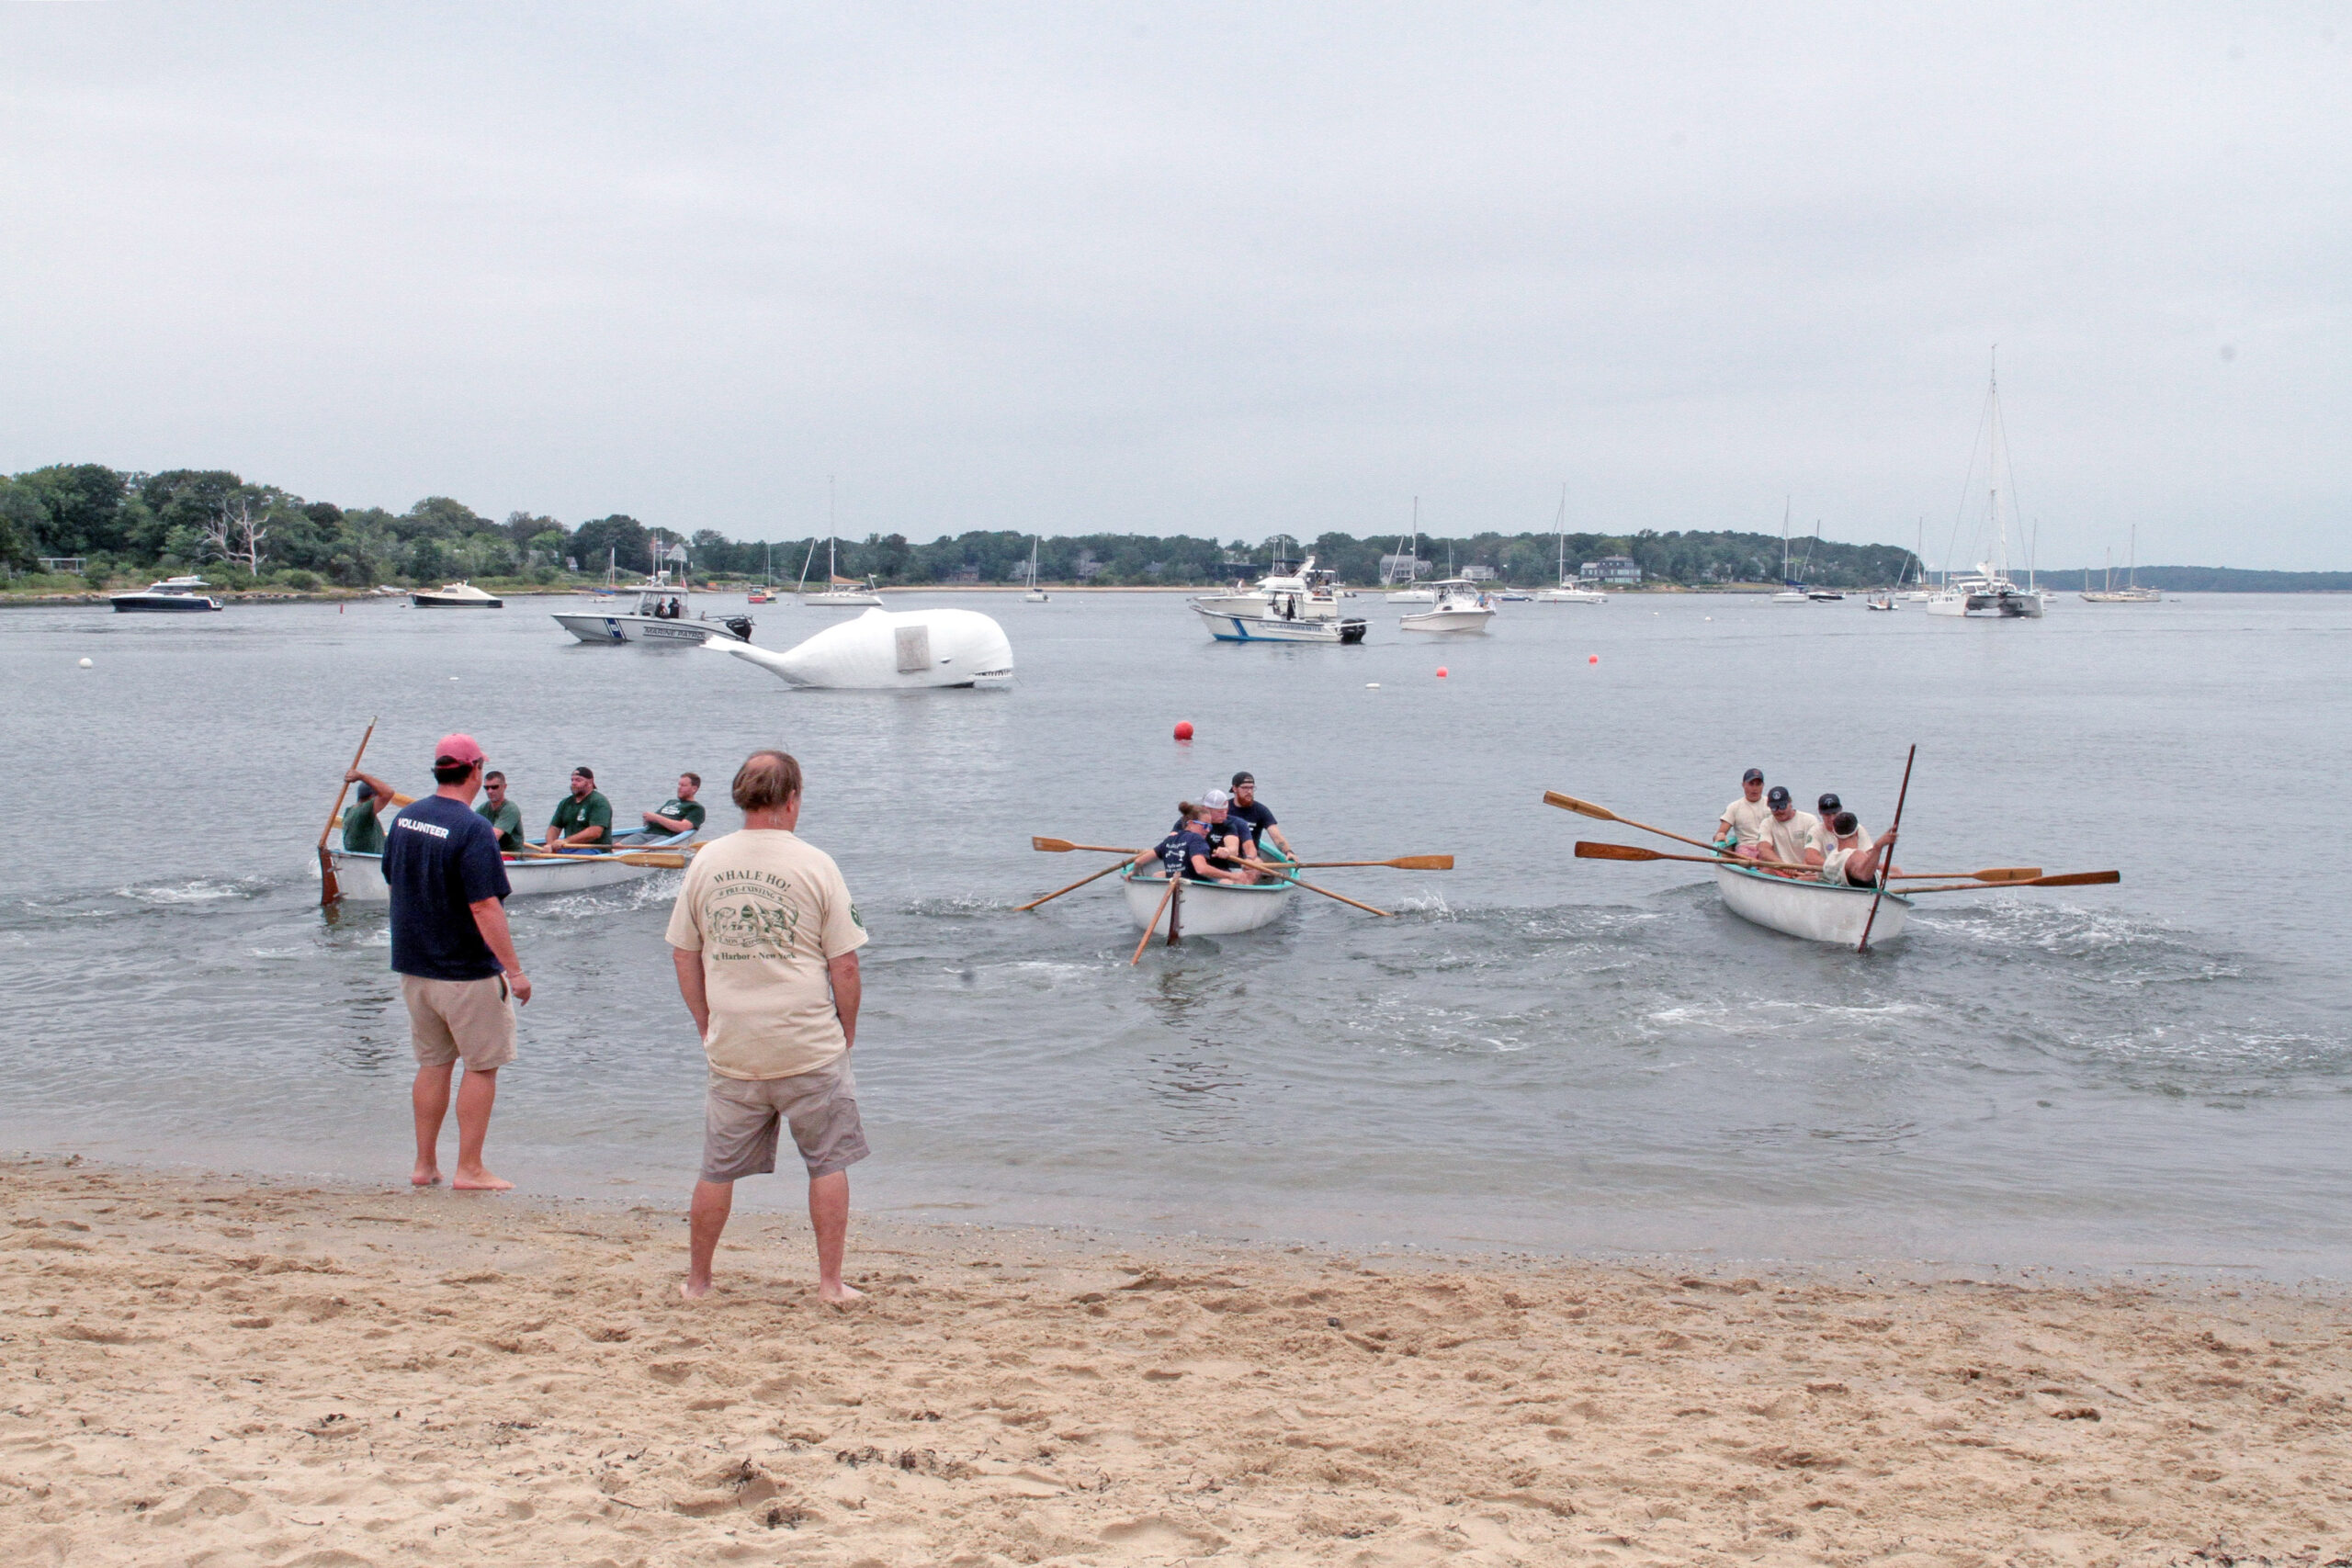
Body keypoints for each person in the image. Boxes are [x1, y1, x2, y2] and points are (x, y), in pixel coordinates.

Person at [667, 750, 869, 1303]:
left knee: (716, 1169)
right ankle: (830, 1284)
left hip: (733, 1043)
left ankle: (698, 1282)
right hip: (806, 1041)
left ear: (740, 796)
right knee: (828, 1161)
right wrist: (846, 1029)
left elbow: (684, 953)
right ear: (792, 799)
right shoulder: (816, 864)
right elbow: (844, 964)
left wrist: (707, 1020)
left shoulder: (706, 861)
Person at [380, 734, 532, 1191]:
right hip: (465, 970)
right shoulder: (472, 829)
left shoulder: (406, 818)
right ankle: (470, 1168)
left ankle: (424, 1165)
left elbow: (392, 875)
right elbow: (485, 906)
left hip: (414, 967)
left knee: (432, 1065)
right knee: (482, 1066)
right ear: (474, 770)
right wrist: (516, 972)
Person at [1131, 804, 1250, 886]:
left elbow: (1138, 862)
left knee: (1157, 875)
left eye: (1210, 826)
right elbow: (1201, 869)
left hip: (1176, 882)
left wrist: (1134, 874)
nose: (1208, 830)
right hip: (1193, 885)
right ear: (1191, 823)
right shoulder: (1196, 840)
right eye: (1205, 825)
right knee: (1228, 881)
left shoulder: (1169, 840)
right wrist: (1233, 876)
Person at [1811, 812, 1901, 886]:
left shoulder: (1831, 859)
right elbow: (1864, 875)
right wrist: (1878, 846)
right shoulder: (1856, 855)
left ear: (1834, 833)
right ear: (1857, 832)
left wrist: (1879, 868)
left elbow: (1855, 868)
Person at [1226, 772, 1294, 860]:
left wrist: (1288, 852)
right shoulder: (1223, 809)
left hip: (1251, 858)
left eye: (1251, 788)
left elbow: (1276, 836)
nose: (1249, 791)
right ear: (1234, 789)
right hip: (1227, 856)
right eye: (1245, 788)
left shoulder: (1261, 810)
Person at [1754, 785, 1820, 874]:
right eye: (1774, 808)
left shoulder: (1809, 820)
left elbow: (1814, 853)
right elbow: (1764, 850)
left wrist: (1800, 870)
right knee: (1766, 871)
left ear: (1790, 803)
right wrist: (1783, 865)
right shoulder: (1766, 823)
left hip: (1807, 872)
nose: (1779, 811)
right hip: (1781, 870)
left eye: (1782, 806)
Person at [546, 766, 612, 852]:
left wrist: (567, 841)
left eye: (578, 780)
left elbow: (595, 832)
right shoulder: (565, 803)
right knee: (541, 857)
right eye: (572, 780)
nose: (573, 783)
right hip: (569, 848)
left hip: (594, 849)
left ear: (590, 782)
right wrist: (550, 845)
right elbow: (554, 828)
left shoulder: (599, 802)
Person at [1715, 768, 1772, 860]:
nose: (1754, 789)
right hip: (1745, 848)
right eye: (1751, 784)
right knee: (1744, 857)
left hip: (1767, 847)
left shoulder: (1772, 804)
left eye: (1758, 784)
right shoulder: (1734, 807)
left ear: (1763, 786)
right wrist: (1720, 836)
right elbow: (1720, 833)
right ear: (1743, 785)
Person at [341, 770, 398, 853]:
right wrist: (361, 777)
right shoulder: (364, 811)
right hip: (370, 861)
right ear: (372, 797)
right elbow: (388, 793)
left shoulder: (349, 811)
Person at [639, 773, 707, 839]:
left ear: (694, 789)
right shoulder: (671, 802)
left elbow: (683, 827)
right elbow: (654, 818)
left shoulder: (696, 808)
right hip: (648, 833)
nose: (679, 788)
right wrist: (648, 818)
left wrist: (656, 818)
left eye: (683, 785)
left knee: (644, 848)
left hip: (667, 836)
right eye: (679, 785)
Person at [476, 770, 526, 853]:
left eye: (494, 787)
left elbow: (493, 837)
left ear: (504, 787)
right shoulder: (483, 808)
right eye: (486, 788)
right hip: (494, 853)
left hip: (512, 855)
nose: (490, 791)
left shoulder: (510, 809)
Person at [1808, 792, 1871, 857]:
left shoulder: (1856, 828)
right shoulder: (1815, 831)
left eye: (1834, 813)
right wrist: (1833, 865)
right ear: (1820, 813)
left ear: (1841, 809)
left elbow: (1869, 855)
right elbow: (1811, 857)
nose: (1832, 818)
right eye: (1827, 815)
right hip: (1827, 866)